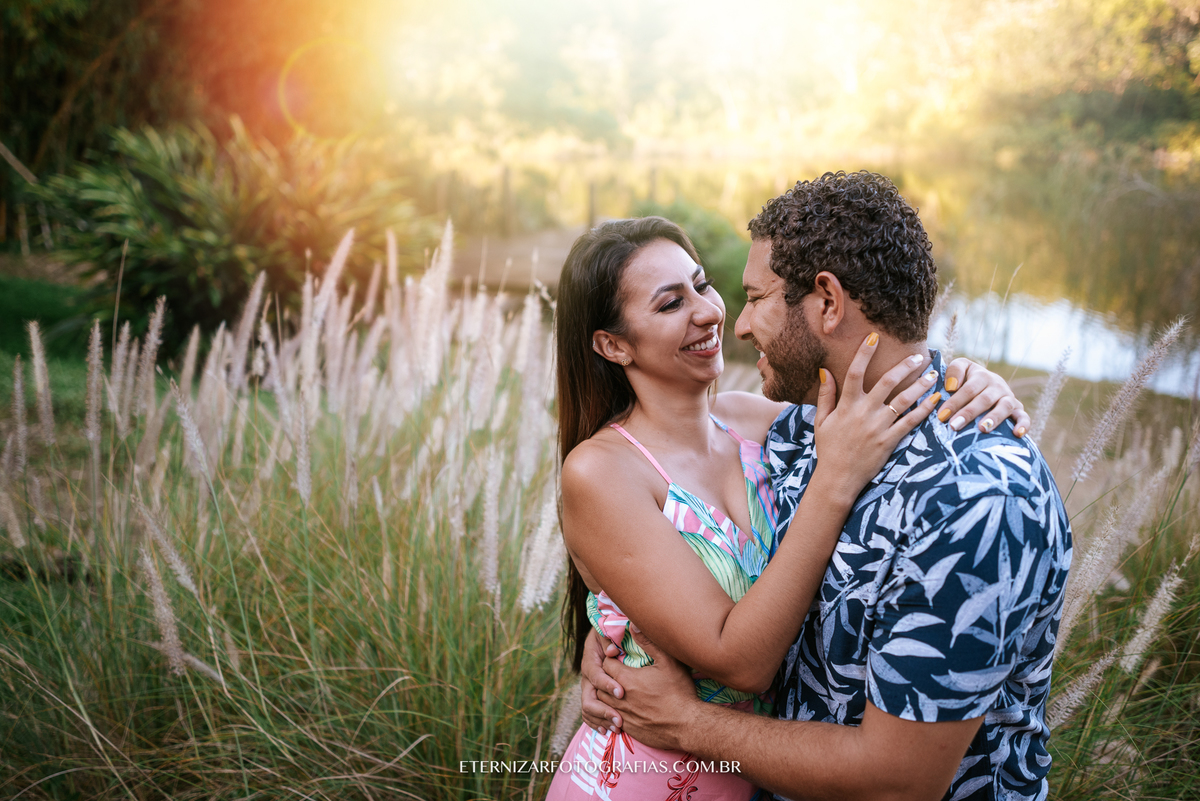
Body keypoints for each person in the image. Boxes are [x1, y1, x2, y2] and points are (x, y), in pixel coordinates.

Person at [580, 172, 1072, 801]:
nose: (738, 323)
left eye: (754, 297)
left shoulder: (979, 499)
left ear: (828, 302)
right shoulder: (810, 433)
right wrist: (625, 640)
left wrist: (684, 721)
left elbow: (899, 780)